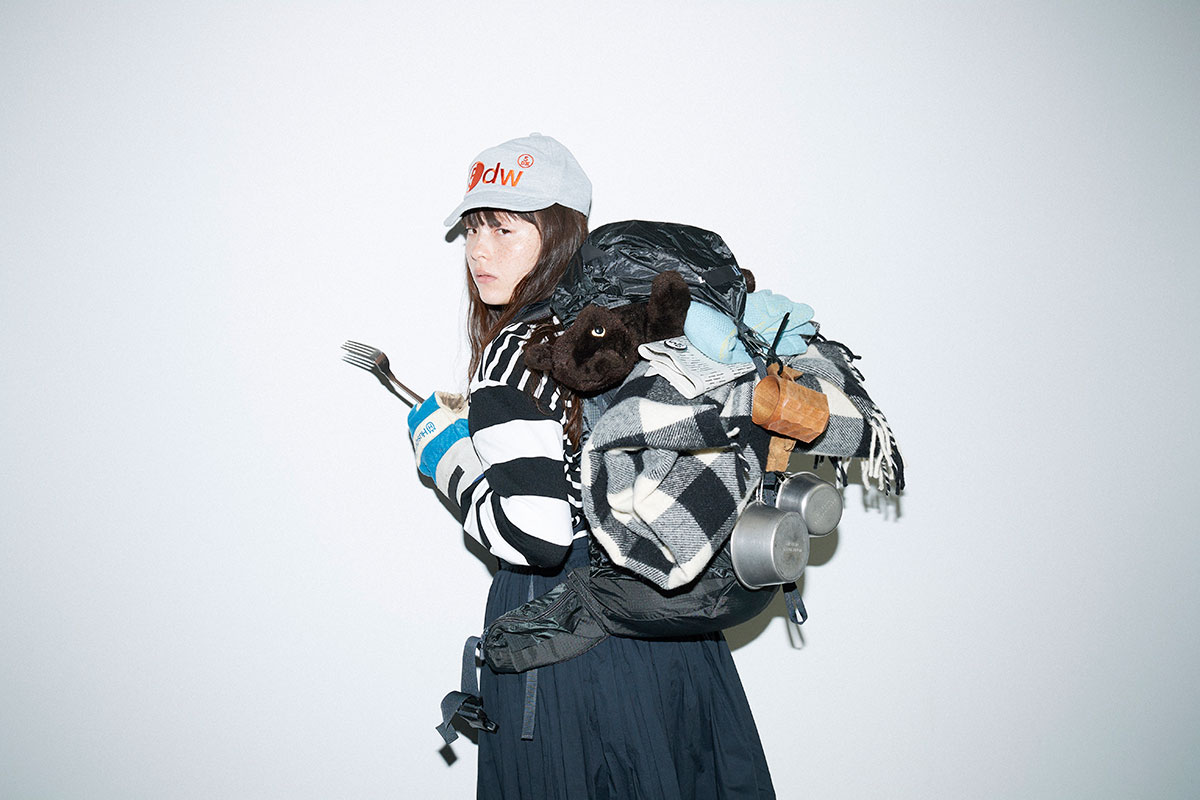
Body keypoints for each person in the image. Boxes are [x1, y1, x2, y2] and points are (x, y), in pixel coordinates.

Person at [408, 133, 775, 799]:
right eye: (472, 228)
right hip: (662, 617)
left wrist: (445, 456)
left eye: (503, 228)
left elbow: (537, 534)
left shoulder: (516, 351)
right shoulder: (624, 329)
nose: (479, 250)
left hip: (564, 639)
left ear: (558, 233)